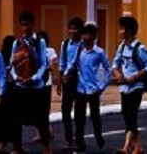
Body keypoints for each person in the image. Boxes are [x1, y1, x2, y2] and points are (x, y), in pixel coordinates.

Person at [63, 22, 111, 153]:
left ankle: (100, 140)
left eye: (87, 34)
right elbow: (72, 63)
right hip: (80, 88)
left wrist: (102, 86)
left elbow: (108, 69)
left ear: (93, 37)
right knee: (79, 118)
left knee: (95, 117)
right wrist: (66, 73)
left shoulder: (99, 52)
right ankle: (80, 143)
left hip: (93, 89)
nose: (84, 37)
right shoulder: (80, 50)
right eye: (83, 34)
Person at [9, 11, 51, 154]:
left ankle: (46, 147)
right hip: (20, 85)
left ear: (32, 24)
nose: (25, 28)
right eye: (22, 25)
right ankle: (17, 147)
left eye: (27, 25)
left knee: (41, 119)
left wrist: (33, 78)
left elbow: (43, 64)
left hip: (36, 86)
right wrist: (16, 77)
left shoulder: (39, 42)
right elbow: (12, 63)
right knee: (16, 119)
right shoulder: (17, 42)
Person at [112, 15, 147, 154]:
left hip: (136, 86)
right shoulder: (122, 47)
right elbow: (115, 64)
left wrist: (135, 77)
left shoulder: (140, 48)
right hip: (124, 87)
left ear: (129, 31)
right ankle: (137, 146)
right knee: (127, 115)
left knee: (132, 115)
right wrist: (119, 75)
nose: (119, 32)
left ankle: (126, 147)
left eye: (122, 29)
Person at [57, 16, 84, 151]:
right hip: (67, 80)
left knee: (79, 110)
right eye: (71, 28)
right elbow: (62, 62)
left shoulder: (83, 45)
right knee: (65, 110)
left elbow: (76, 61)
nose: (72, 31)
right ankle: (68, 138)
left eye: (75, 28)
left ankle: (79, 138)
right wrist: (60, 81)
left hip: (79, 80)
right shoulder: (65, 44)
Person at [34, 30, 58, 145]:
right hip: (37, 82)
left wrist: (47, 67)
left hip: (46, 83)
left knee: (44, 108)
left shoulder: (50, 50)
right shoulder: (35, 51)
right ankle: (40, 133)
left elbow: (53, 64)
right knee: (37, 108)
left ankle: (48, 130)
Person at [0, 34, 17, 153]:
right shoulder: (15, 57)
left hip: (2, 93)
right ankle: (15, 145)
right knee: (14, 120)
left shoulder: (0, 57)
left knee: (2, 121)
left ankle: (1, 144)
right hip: (13, 92)